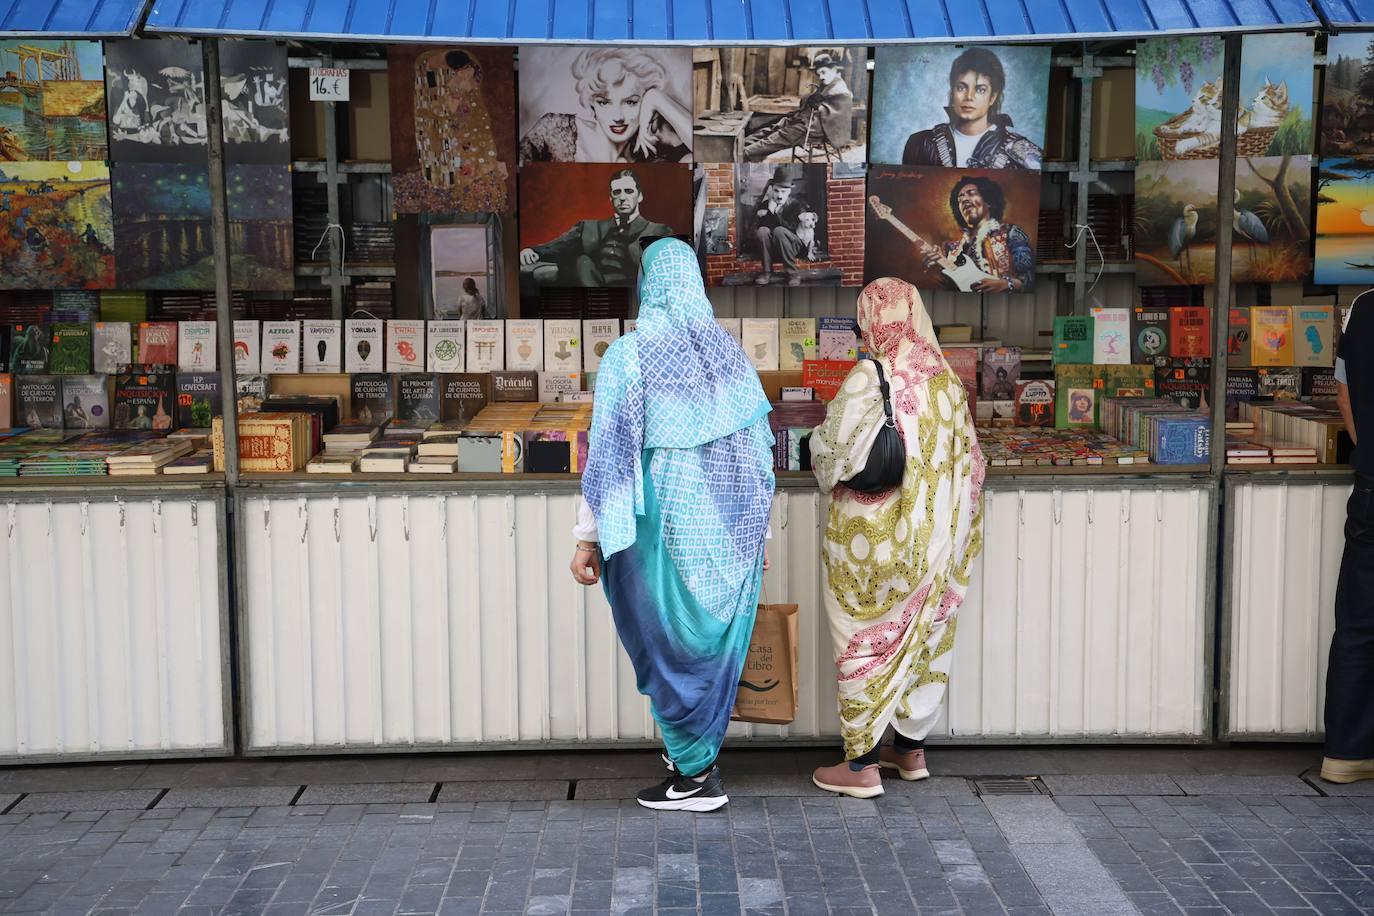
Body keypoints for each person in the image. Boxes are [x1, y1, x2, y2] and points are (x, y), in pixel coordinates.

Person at [569, 238, 775, 811]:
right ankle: (688, 758)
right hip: (728, 536)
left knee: (663, 642)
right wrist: (757, 538)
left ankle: (696, 776)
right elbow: (759, 460)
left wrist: (588, 539)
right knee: (704, 643)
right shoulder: (731, 358)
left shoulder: (629, 357)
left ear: (648, 285)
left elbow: (609, 459)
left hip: (658, 532)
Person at [808, 277, 984, 798]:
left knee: (863, 638)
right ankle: (909, 750)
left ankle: (861, 765)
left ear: (869, 319)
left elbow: (829, 452)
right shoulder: (946, 381)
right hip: (939, 543)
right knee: (927, 636)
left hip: (876, 547)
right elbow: (973, 463)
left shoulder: (870, 376)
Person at [1323, 288, 1374, 783]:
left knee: (1358, 622)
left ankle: (1346, 755)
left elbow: (1344, 394)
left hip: (1371, 488)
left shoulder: (1364, 307)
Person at [520, 48, 692, 164]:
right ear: (592, 103)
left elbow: (699, 152)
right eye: (604, 102)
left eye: (631, 102)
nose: (617, 117)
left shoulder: (652, 153)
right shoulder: (553, 131)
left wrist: (655, 98)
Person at [519, 169, 675, 287]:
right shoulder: (588, 227)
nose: (622, 197)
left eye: (629, 191)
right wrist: (533, 251)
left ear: (640, 196)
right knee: (582, 262)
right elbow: (559, 245)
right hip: (591, 290)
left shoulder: (659, 231)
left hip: (631, 296)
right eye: (617, 192)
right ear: (610, 198)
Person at [901, 47, 1043, 169]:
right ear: (952, 92)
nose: (969, 96)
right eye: (961, 87)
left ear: (992, 97)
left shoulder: (1021, 150)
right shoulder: (920, 143)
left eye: (980, 89)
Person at [924, 175, 1034, 294]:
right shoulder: (951, 250)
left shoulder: (1011, 233)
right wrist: (936, 267)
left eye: (971, 193)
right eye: (960, 199)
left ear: (988, 201)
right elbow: (946, 289)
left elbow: (1030, 279)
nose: (964, 199)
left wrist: (1007, 284)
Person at [742, 52, 854, 162]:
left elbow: (837, 118)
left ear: (833, 69)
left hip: (819, 128)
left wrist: (820, 107)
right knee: (777, 125)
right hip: (807, 120)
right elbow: (815, 100)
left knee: (781, 135)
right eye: (819, 74)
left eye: (823, 72)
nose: (821, 77)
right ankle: (742, 143)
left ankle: (744, 153)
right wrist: (810, 98)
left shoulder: (840, 91)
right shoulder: (828, 83)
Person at [749, 166, 811, 287]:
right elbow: (753, 230)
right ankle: (767, 272)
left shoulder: (796, 205)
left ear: (789, 191)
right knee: (762, 231)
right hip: (774, 248)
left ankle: (793, 274)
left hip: (793, 246)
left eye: (783, 192)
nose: (779, 195)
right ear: (771, 190)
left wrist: (774, 213)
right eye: (776, 191)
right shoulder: (766, 204)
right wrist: (762, 214)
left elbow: (792, 229)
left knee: (779, 231)